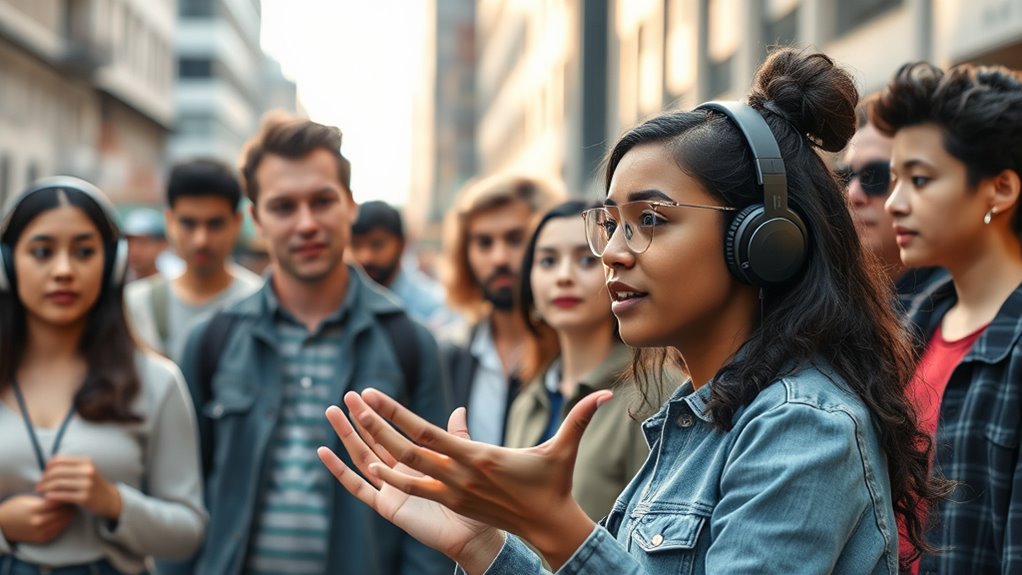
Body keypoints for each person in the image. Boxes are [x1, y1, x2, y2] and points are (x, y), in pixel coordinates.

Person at [317, 48, 947, 574]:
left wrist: (557, 524)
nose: (612, 254)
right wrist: (484, 544)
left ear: (764, 241)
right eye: (610, 223)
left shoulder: (803, 426)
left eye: (650, 220)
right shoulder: (700, 417)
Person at [158, 113, 452, 575]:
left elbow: (436, 504)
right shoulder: (213, 340)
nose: (307, 223)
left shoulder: (409, 343)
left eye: (322, 201)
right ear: (255, 218)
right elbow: (181, 497)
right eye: (283, 207)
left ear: (351, 205)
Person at [0, 177, 205, 573]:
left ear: (113, 264)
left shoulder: (158, 382)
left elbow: (187, 531)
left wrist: (113, 502)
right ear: (7, 263)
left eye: (84, 252)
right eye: (42, 252)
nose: (63, 270)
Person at [871, 61, 1022, 574]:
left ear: (999, 189)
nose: (894, 203)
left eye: (919, 179)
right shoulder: (912, 329)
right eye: (893, 180)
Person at [505, 199, 656, 522]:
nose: (563, 276)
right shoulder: (529, 399)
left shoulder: (652, 392)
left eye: (587, 259)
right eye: (547, 261)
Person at [441, 174, 563, 445]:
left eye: (515, 239)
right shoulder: (451, 352)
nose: (499, 258)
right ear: (465, 252)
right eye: (484, 243)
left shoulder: (572, 349)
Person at [125, 159, 262, 363]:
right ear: (170, 221)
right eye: (188, 223)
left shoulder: (259, 302)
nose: (201, 240)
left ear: (237, 223)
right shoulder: (136, 303)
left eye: (215, 224)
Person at [837, 94, 945, 319]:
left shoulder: (960, 311)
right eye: (845, 177)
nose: (853, 194)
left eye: (874, 175)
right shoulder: (834, 305)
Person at [350, 200, 463, 340]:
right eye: (356, 245)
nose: (366, 257)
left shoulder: (435, 308)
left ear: (402, 244)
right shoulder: (340, 304)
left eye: (377, 244)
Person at [121, 207, 169, 281]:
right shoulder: (116, 282)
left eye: (143, 242)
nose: (134, 249)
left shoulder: (171, 285)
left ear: (162, 244)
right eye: (129, 241)